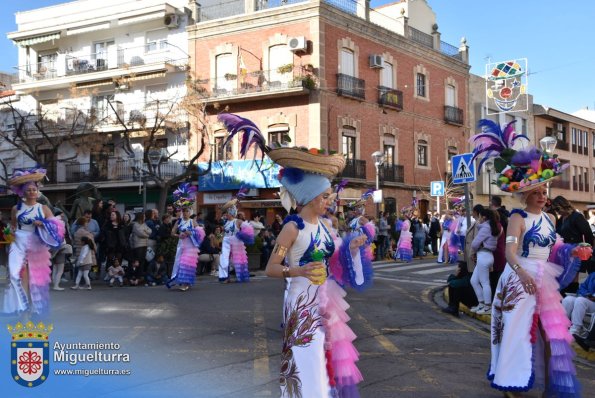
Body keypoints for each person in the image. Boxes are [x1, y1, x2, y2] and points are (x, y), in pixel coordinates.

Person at [217, 112, 372, 396]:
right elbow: (272, 268)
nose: (330, 202)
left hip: (326, 300)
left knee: (326, 363)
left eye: (330, 197)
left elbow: (334, 261)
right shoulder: (292, 227)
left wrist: (351, 247)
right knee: (306, 359)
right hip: (301, 302)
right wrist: (297, 271)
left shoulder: (326, 227)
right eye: (325, 197)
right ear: (311, 198)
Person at [470, 127, 582, 396]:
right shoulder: (518, 218)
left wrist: (573, 252)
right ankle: (512, 383)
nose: (543, 196)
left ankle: (550, 387)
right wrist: (521, 273)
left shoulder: (551, 219)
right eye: (537, 192)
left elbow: (554, 249)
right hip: (519, 280)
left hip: (544, 280)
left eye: (544, 191)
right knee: (516, 333)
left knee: (550, 336)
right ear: (525, 195)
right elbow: (510, 253)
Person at [3, 168, 64, 316]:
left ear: (37, 191)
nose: (31, 192)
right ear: (23, 192)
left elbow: (58, 227)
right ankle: (21, 306)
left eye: (34, 189)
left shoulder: (43, 208)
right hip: (18, 243)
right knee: (15, 274)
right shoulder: (15, 208)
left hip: (36, 245)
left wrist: (43, 223)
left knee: (34, 278)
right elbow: (13, 226)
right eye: (28, 190)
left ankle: (32, 308)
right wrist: (9, 232)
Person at [551, 195, 595, 294]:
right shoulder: (561, 219)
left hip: (577, 250)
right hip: (565, 250)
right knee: (565, 274)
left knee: (573, 275)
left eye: (557, 208)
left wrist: (587, 248)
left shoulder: (577, 216)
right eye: (555, 209)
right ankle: (566, 296)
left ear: (563, 205)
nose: (557, 211)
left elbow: (587, 233)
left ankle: (571, 295)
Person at [166, 183, 205, 291]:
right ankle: (184, 282)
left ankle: (185, 283)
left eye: (187, 210)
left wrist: (191, 232)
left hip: (190, 246)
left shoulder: (193, 221)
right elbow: (172, 233)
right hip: (181, 245)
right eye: (183, 210)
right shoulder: (178, 221)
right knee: (179, 264)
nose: (185, 212)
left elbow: (200, 231)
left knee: (186, 264)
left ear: (190, 211)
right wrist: (179, 235)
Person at [469, 208, 501, 315]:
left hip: (483, 256)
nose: (479, 218)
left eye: (480, 216)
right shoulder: (491, 226)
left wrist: (476, 248)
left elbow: (474, 243)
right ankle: (482, 304)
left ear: (484, 217)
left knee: (485, 283)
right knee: (474, 281)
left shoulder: (486, 227)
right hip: (486, 255)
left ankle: (487, 306)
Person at [218, 192, 254, 283]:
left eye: (228, 213)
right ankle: (225, 277)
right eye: (226, 213)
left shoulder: (238, 221)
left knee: (238, 260)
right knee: (224, 259)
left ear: (232, 213)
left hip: (236, 242)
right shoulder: (225, 222)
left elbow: (248, 228)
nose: (226, 214)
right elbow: (224, 233)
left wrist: (241, 235)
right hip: (226, 242)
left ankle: (241, 276)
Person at [562, 271, 595, 339]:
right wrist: (587, 294)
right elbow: (583, 287)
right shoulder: (593, 274)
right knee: (568, 300)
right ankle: (563, 326)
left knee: (580, 300)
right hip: (587, 298)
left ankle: (575, 329)